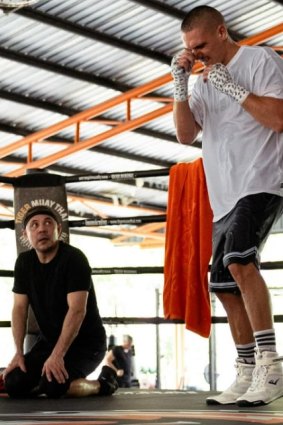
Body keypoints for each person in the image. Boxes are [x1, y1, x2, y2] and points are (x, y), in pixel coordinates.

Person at [171, 5, 283, 407]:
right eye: (189, 49)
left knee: (239, 261)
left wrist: (234, 88)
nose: (196, 55)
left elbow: (279, 119)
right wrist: (181, 85)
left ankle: (271, 366)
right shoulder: (201, 82)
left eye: (200, 46)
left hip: (262, 180)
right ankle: (248, 367)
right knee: (222, 283)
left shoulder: (260, 60)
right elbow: (186, 136)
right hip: (223, 195)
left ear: (221, 31)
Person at [3, 205, 118, 398]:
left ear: (59, 229)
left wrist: (57, 356)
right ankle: (39, 382)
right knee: (14, 383)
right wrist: (18, 353)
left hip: (86, 345)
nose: (41, 229)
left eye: (48, 223)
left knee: (53, 386)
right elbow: (19, 308)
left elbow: (77, 310)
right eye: (34, 225)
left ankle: (104, 383)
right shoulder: (24, 262)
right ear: (25, 234)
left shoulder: (74, 259)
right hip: (48, 343)